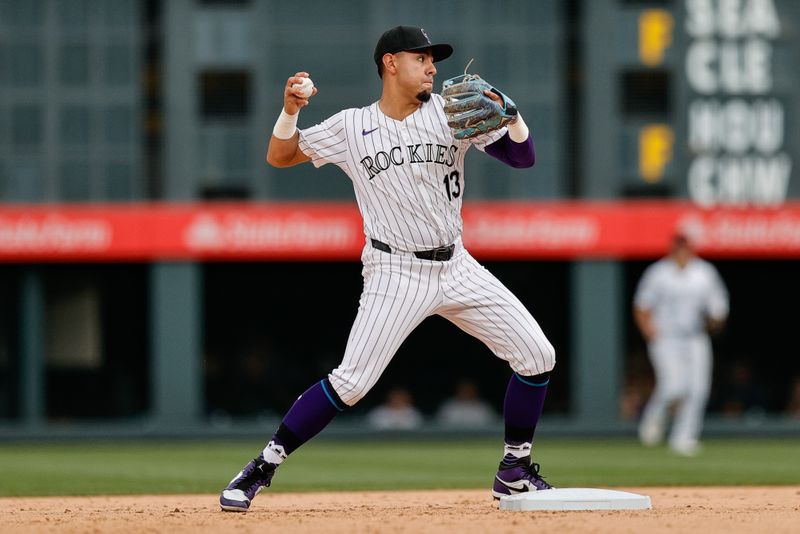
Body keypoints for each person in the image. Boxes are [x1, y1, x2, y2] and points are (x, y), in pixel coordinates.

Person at [219, 25, 555, 512]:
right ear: (391, 63)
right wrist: (290, 110)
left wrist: (515, 116)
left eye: (434, 61)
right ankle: (262, 467)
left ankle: (514, 470)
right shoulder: (352, 126)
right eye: (423, 59)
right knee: (351, 383)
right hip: (394, 271)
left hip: (456, 264)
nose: (433, 68)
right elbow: (280, 155)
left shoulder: (450, 112)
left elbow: (522, 159)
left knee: (538, 355)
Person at [633, 233, 729, 456]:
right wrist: (648, 331)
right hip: (666, 337)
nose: (682, 251)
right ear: (672, 248)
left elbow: (718, 307)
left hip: (695, 337)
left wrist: (714, 320)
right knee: (674, 387)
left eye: (686, 246)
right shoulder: (658, 273)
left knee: (698, 389)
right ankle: (653, 418)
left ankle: (683, 438)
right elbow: (642, 305)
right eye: (679, 246)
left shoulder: (704, 272)